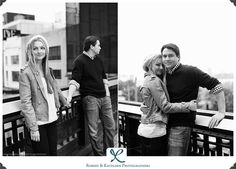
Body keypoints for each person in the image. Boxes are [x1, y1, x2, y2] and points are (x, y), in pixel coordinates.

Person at [160, 43, 225, 156]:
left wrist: (221, 112)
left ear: (178, 57)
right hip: (163, 124)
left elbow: (217, 86)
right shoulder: (163, 74)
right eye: (164, 56)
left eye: (170, 55)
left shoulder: (190, 71)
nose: (167, 59)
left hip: (180, 126)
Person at [137, 54, 197, 156]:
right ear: (149, 65)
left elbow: (149, 102)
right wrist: (188, 106)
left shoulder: (146, 79)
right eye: (157, 65)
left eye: (162, 65)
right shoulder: (154, 80)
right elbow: (165, 107)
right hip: (155, 132)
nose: (161, 68)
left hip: (146, 130)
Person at [19, 35, 68, 156]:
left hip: (52, 118)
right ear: (30, 51)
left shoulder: (48, 69)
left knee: (53, 153)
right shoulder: (25, 72)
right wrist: (33, 128)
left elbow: (56, 88)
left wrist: (64, 101)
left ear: (46, 50)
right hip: (39, 122)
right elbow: (26, 102)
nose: (39, 51)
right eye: (35, 48)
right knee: (44, 156)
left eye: (42, 48)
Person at [67, 35, 115, 156]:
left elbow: (104, 77)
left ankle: (110, 155)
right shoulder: (79, 61)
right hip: (90, 98)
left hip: (105, 97)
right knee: (93, 131)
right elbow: (75, 81)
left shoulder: (99, 60)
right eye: (98, 45)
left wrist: (108, 95)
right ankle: (99, 156)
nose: (100, 47)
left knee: (110, 127)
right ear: (91, 46)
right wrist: (69, 96)